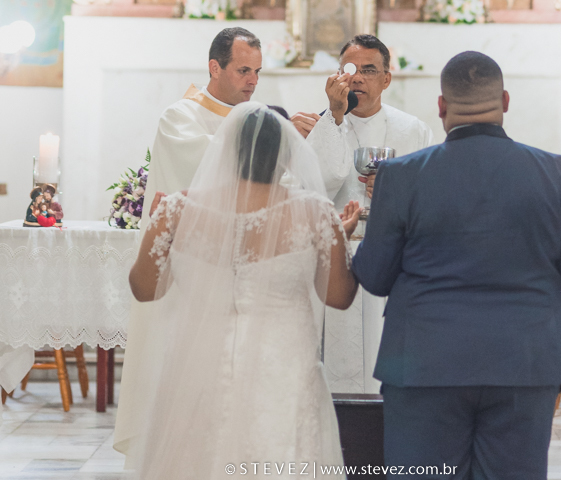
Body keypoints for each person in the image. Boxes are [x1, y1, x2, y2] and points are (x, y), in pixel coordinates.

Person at [353, 50, 561, 478]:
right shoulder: (558, 173)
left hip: (423, 363)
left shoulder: (400, 176)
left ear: (441, 106)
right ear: (505, 101)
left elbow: (374, 277)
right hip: (523, 362)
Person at [127, 103, 361, 477]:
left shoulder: (177, 209)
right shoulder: (315, 213)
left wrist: (168, 237)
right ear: (287, 156)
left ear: (227, 152)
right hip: (281, 368)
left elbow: (144, 289)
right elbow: (338, 296)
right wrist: (336, 242)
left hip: (198, 363)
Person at [113, 26, 263, 463]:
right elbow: (209, 167)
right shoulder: (180, 116)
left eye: (256, 71)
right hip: (186, 280)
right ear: (214, 68)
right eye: (242, 70)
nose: (252, 81)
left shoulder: (252, 118)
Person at [292, 34, 433, 392]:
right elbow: (315, 186)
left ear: (387, 78)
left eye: (368, 70)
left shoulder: (413, 130)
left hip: (391, 260)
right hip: (335, 260)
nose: (356, 79)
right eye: (349, 70)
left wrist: (395, 193)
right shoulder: (317, 125)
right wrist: (334, 120)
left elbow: (430, 200)